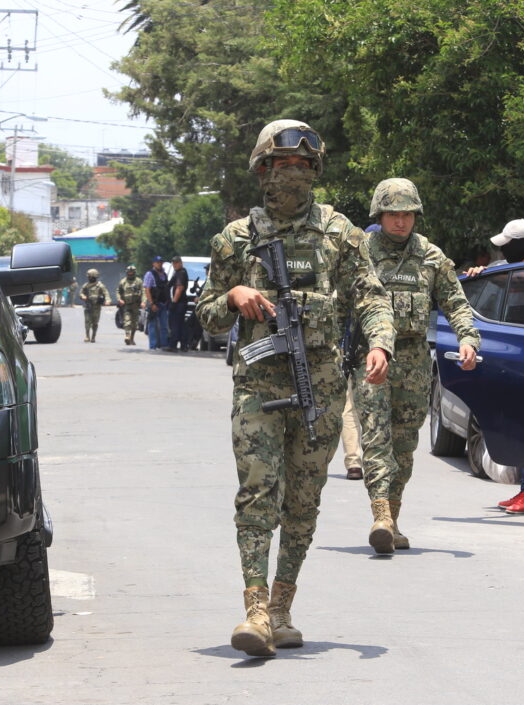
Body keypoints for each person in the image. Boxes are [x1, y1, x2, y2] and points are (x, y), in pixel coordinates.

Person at [195, 119, 394, 658]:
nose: (294, 175)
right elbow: (207, 316)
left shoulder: (341, 234)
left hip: (322, 386)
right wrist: (234, 294)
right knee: (258, 493)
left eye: (304, 167)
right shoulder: (235, 239)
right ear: (263, 171)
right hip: (259, 384)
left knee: (303, 503)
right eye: (284, 166)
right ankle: (255, 610)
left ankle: (282, 607)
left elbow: (372, 296)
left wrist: (380, 344)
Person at [352, 178, 480, 553]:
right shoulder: (362, 253)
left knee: (405, 445)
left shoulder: (431, 256)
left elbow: (455, 302)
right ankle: (381, 517)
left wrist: (468, 339)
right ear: (380, 214)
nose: (401, 222)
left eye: (407, 214)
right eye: (393, 214)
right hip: (371, 358)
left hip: (414, 361)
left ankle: (392, 516)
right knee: (376, 437)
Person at [471, 219, 524, 514]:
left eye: (507, 244)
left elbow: (514, 281)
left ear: (519, 245)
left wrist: (485, 275)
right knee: (523, 424)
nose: (503, 250)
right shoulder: (521, 270)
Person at [143, 255, 170, 350]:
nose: (160, 264)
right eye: (158, 262)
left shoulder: (164, 274)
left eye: (161, 262)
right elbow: (147, 289)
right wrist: (151, 303)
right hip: (154, 303)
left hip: (163, 304)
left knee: (164, 326)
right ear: (153, 263)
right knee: (152, 326)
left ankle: (164, 345)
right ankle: (153, 346)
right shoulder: (149, 274)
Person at [164, 255, 190, 352]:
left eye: (176, 263)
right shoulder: (178, 272)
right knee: (180, 324)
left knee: (175, 324)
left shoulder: (181, 273)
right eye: (173, 263)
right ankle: (183, 345)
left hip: (179, 303)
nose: (175, 265)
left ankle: (173, 345)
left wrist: (174, 302)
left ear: (180, 263)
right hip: (180, 303)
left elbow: (179, 288)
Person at [116, 264, 143, 345]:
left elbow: (144, 291)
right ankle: (127, 336)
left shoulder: (139, 281)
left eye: (132, 272)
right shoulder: (123, 282)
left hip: (136, 305)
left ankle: (132, 338)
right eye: (129, 272)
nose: (130, 274)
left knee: (134, 324)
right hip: (126, 305)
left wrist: (143, 301)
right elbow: (118, 291)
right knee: (127, 321)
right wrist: (119, 299)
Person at [79, 268, 109, 343]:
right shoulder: (86, 285)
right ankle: (87, 335)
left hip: (97, 307)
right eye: (88, 276)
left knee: (95, 322)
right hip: (88, 305)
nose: (88, 278)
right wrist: (83, 296)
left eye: (89, 276)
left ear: (94, 277)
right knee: (87, 321)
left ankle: (93, 336)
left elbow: (106, 293)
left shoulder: (100, 286)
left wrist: (108, 300)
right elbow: (81, 293)